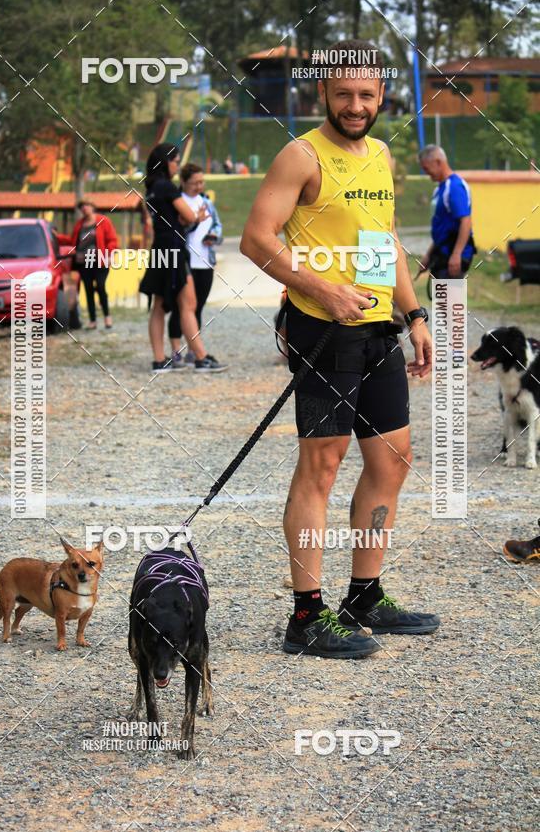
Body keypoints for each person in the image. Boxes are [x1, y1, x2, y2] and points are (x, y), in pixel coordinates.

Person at [241, 38, 439, 661]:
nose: (356, 104)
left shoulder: (380, 153)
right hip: (322, 329)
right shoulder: (300, 156)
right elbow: (256, 238)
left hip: (379, 327)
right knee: (321, 467)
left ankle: (365, 594)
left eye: (367, 94)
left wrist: (414, 314)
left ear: (382, 95)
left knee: (392, 460)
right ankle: (305, 615)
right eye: (343, 93)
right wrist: (319, 286)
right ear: (322, 93)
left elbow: (382, 243)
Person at [140, 143, 227, 372]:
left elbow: (170, 218)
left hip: (160, 247)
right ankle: (200, 358)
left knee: (159, 305)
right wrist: (195, 217)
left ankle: (160, 360)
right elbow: (188, 216)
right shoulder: (167, 187)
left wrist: (185, 219)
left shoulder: (150, 187)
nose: (177, 166)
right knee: (188, 303)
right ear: (165, 162)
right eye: (175, 161)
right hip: (175, 248)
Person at [168, 163, 223, 366]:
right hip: (184, 262)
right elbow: (177, 231)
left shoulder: (207, 202)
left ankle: (194, 349)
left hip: (205, 261)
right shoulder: (177, 202)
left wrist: (214, 236)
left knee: (197, 308)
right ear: (183, 182)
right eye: (195, 183)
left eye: (202, 182)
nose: (199, 186)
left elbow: (218, 225)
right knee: (179, 307)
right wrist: (195, 221)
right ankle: (175, 350)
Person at [418, 145, 475, 286]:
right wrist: (428, 255)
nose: (426, 173)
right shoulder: (439, 189)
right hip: (441, 255)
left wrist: (456, 254)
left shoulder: (454, 187)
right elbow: (442, 228)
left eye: (426, 168)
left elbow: (466, 222)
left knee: (450, 305)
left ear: (438, 162)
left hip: (452, 257)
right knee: (442, 305)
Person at [57, 198, 116, 329]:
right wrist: (57, 237)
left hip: (100, 261)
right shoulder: (79, 225)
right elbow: (73, 241)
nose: (84, 208)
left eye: (87, 205)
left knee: (100, 286)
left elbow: (112, 240)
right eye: (82, 206)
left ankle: (107, 317)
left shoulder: (103, 221)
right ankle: (93, 320)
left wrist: (109, 254)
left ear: (92, 206)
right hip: (82, 262)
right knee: (88, 289)